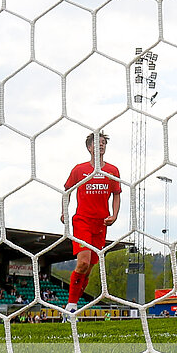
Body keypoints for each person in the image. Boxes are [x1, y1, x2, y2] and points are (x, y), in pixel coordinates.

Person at [62, 131, 122, 316]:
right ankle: (70, 307)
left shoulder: (112, 171)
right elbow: (67, 191)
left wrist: (115, 215)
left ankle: (73, 305)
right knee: (83, 262)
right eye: (97, 143)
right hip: (82, 222)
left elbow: (117, 194)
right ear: (89, 147)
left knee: (88, 269)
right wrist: (64, 211)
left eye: (103, 143)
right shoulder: (79, 170)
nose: (101, 145)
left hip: (100, 224)